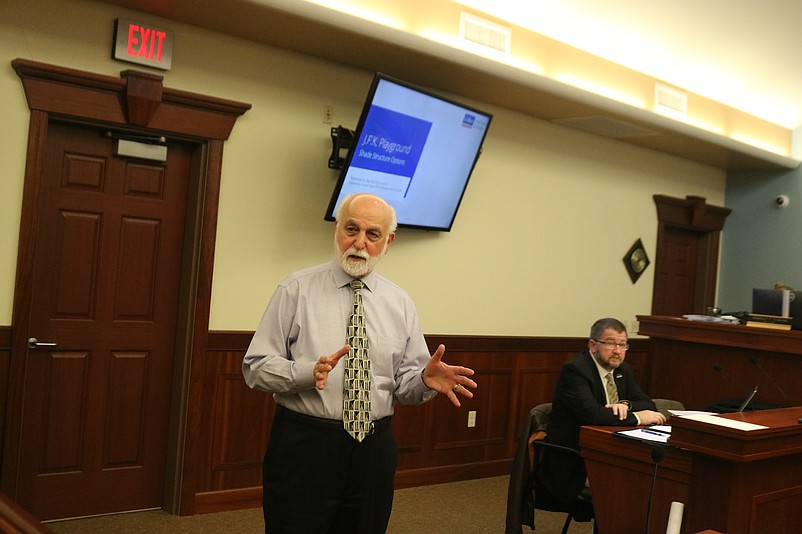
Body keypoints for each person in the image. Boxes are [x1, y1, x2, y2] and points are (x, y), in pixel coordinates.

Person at [242, 193, 477, 533]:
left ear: (388, 242)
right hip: (306, 446)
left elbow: (405, 386)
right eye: (351, 228)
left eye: (373, 234)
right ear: (337, 230)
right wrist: (306, 372)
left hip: (373, 449)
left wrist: (424, 382)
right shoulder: (296, 289)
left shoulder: (400, 303)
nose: (360, 242)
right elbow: (255, 366)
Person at [537, 317, 666, 505]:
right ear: (593, 345)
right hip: (576, 461)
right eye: (610, 344)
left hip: (614, 451)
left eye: (623, 345)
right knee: (629, 489)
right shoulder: (575, 371)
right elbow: (594, 415)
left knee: (650, 482)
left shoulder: (624, 370)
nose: (617, 351)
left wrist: (625, 405)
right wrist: (637, 416)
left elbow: (649, 405)